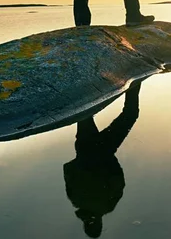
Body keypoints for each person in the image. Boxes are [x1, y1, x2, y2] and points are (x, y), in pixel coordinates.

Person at [63, 83, 141, 238]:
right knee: (85, 113)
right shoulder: (76, 201)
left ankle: (134, 81)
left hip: (102, 152)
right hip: (87, 149)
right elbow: (68, 170)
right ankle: (131, 80)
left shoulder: (105, 205)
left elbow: (118, 180)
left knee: (129, 114)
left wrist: (109, 160)